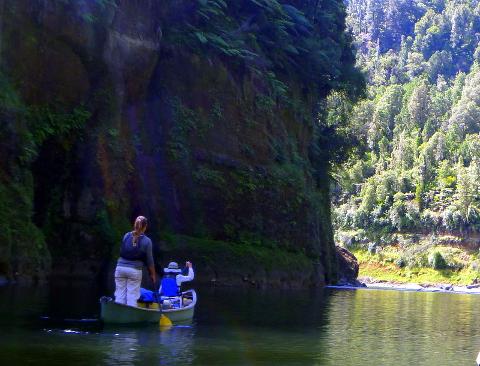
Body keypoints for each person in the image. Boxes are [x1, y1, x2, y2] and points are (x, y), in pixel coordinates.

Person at [114, 216, 157, 307]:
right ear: (145, 227)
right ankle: (130, 318)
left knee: (119, 295)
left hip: (120, 268)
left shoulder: (126, 235)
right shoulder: (147, 241)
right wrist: (153, 274)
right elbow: (150, 260)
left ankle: (118, 315)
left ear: (135, 224)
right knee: (132, 297)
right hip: (134, 271)